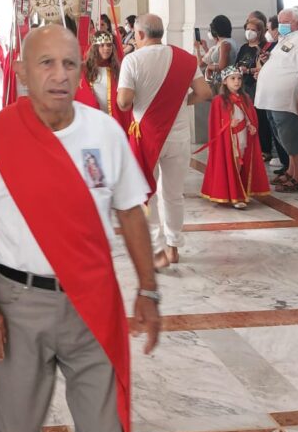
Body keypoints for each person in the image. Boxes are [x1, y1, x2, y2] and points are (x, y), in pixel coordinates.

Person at [0, 25, 159, 432]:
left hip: (94, 304)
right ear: (21, 73)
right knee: (18, 427)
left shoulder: (104, 132)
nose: (59, 75)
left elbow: (132, 210)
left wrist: (148, 290)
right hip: (20, 304)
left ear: (81, 69)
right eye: (46, 64)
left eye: (69, 64)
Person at [117, 14, 211, 270]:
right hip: (179, 135)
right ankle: (173, 246)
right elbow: (204, 93)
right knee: (172, 194)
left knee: (145, 193)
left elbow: (124, 102)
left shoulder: (132, 60)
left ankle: (156, 249)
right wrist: (181, 103)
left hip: (146, 136)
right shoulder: (185, 59)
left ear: (139, 34)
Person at [255, 7, 298, 193]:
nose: (281, 25)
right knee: (283, 136)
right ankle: (291, 171)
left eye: (286, 22)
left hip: (289, 101)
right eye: (280, 22)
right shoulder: (287, 40)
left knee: (292, 136)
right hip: (274, 100)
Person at [201, 65, 269, 209]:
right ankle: (234, 195)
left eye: (239, 78)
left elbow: (248, 115)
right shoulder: (219, 100)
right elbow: (215, 123)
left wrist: (251, 125)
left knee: (241, 163)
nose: (237, 82)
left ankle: (239, 191)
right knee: (234, 163)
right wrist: (228, 124)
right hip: (229, 140)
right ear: (225, 81)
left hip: (243, 136)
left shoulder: (245, 98)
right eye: (232, 79)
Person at [75, 32, 132, 132]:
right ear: (95, 48)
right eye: (102, 45)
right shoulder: (84, 70)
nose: (106, 48)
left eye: (109, 45)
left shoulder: (118, 69)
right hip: (91, 122)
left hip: (112, 122)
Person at [235, 15, 273, 159]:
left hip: (257, 85)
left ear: (260, 32)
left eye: (253, 30)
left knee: (260, 118)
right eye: (248, 29)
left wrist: (249, 71)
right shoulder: (244, 47)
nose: (249, 32)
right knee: (247, 117)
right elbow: (237, 64)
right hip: (243, 86)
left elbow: (264, 67)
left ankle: (265, 149)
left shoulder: (264, 47)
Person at [196, 14, 238, 87]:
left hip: (222, 82)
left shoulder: (225, 44)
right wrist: (206, 48)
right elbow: (217, 58)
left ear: (215, 30)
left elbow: (222, 67)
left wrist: (209, 67)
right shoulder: (227, 42)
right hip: (219, 80)